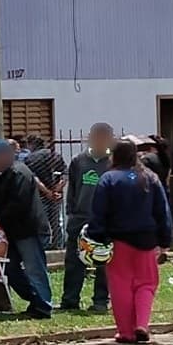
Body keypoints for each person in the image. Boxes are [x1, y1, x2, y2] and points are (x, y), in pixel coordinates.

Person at [86, 139, 172, 345]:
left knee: (120, 285)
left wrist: (96, 236)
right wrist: (164, 239)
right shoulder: (150, 178)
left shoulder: (108, 179)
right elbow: (162, 210)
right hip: (146, 239)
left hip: (118, 240)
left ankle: (125, 332)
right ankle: (141, 324)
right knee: (146, 283)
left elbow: (99, 211)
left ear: (114, 156)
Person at [0, 139, 53, 319]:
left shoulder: (19, 173)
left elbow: (19, 203)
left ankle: (44, 306)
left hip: (27, 229)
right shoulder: (1, 175)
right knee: (10, 268)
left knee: (34, 267)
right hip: (12, 231)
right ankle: (34, 299)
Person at [61, 122, 114, 312]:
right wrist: (72, 213)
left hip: (104, 220)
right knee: (74, 261)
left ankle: (100, 300)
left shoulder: (113, 162)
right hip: (80, 217)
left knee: (102, 261)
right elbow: (73, 189)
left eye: (103, 137)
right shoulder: (79, 160)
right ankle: (70, 299)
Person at [25, 134, 67, 249]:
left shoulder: (30, 158)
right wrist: (57, 189)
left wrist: (47, 192)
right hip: (56, 195)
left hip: (40, 195)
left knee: (41, 221)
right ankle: (58, 244)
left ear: (31, 144)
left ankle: (44, 245)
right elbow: (65, 174)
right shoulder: (55, 155)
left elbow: (33, 178)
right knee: (56, 221)